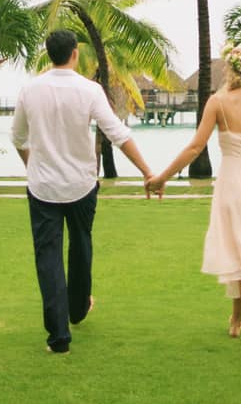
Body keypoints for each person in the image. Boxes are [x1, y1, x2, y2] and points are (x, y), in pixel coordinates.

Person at [11, 29, 156, 355]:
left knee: (48, 257)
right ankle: (77, 309)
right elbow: (118, 134)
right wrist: (147, 170)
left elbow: (18, 137)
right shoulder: (89, 90)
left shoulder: (30, 90)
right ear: (75, 53)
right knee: (81, 246)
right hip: (80, 185)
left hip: (44, 187)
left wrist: (32, 165)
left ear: (50, 54)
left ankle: (59, 336)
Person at [146, 44, 241, 361]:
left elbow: (195, 146)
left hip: (235, 187)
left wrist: (163, 177)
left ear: (231, 70)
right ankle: (236, 319)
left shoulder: (218, 102)